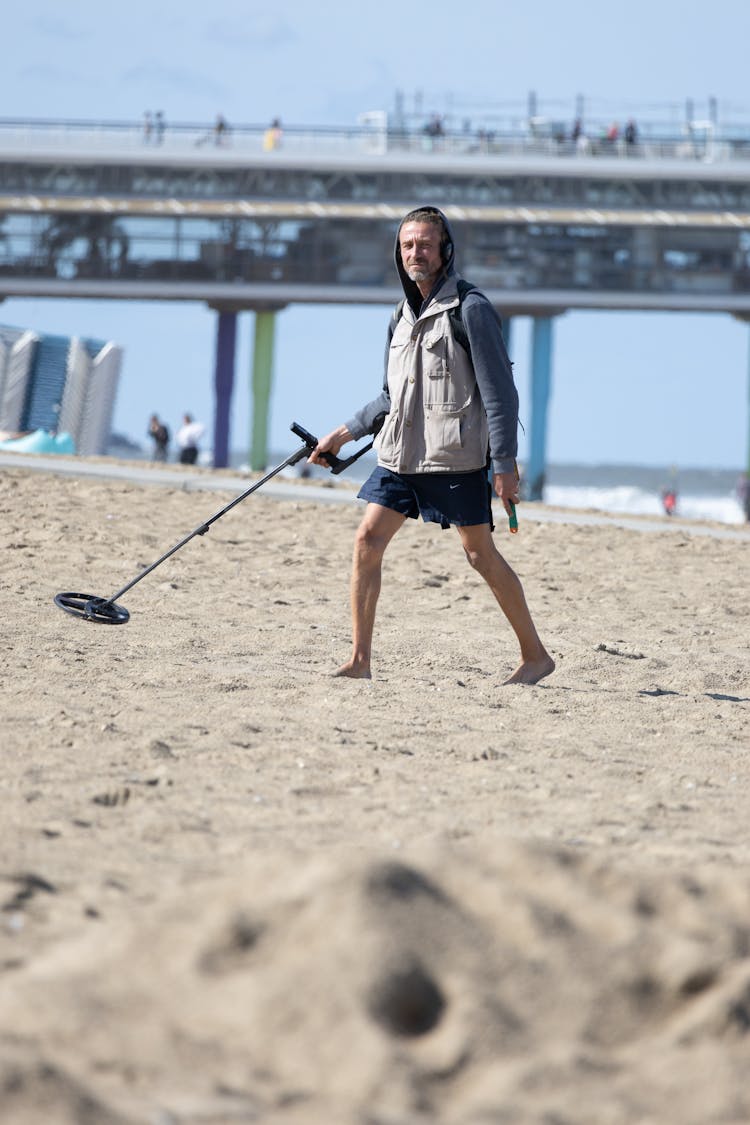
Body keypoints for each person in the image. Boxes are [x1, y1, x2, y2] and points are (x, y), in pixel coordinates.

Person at [310, 206, 554, 686]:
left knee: (479, 554)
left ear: (445, 251)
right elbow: (388, 395)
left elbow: (501, 394)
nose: (414, 253)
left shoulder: (471, 309)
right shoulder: (399, 316)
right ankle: (360, 660)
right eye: (406, 245)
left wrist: (504, 464)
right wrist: (339, 435)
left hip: (455, 456)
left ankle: (535, 656)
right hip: (400, 455)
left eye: (423, 244)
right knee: (367, 540)